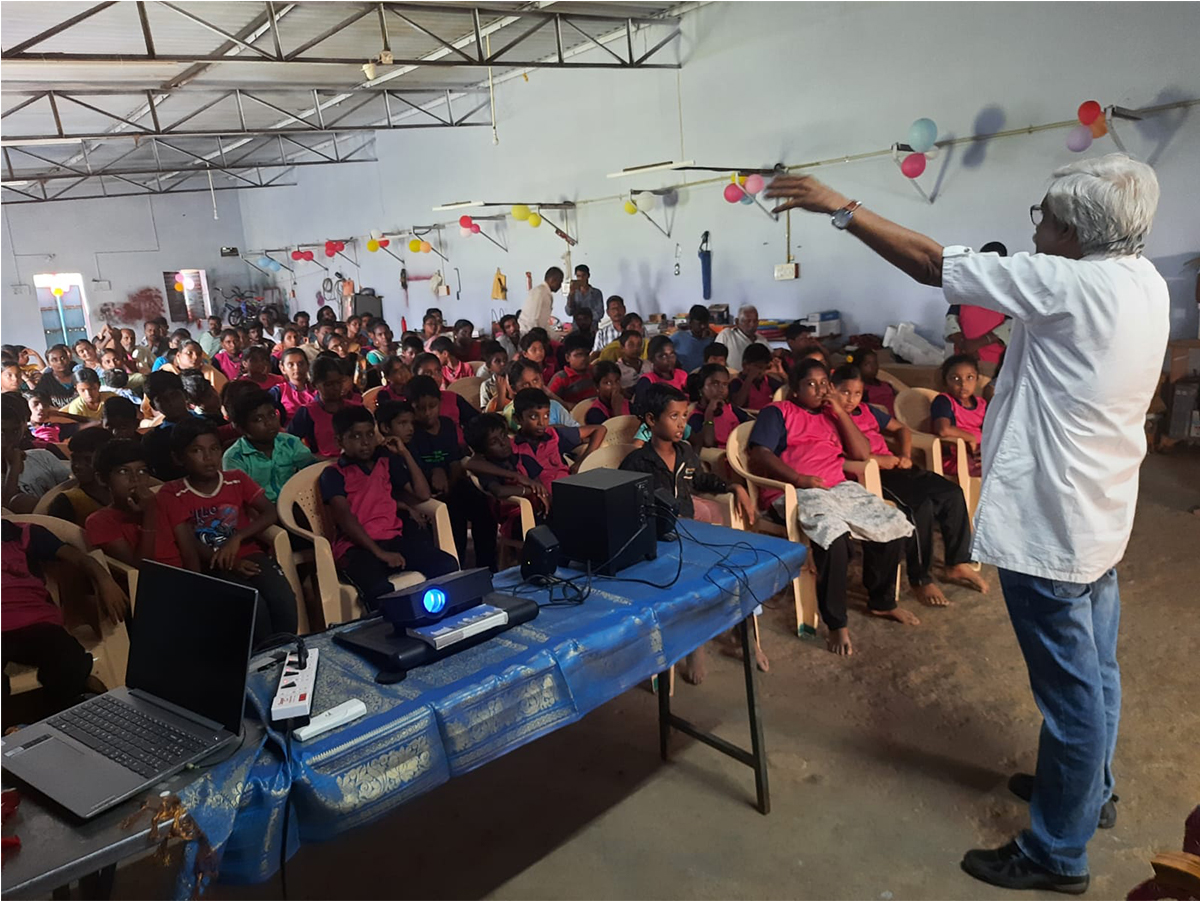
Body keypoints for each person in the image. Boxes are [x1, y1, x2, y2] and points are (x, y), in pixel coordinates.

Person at [765, 154, 1167, 892]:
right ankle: (1089, 793)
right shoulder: (1144, 280)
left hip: (1054, 527)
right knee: (1098, 675)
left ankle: (1057, 852)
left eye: (1044, 216)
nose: (1034, 228)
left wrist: (839, 207)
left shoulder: (1067, 282)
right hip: (1102, 513)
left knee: (1071, 699)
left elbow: (929, 263)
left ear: (1074, 233)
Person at [746, 359, 916, 655]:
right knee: (834, 538)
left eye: (824, 383)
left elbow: (862, 453)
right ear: (795, 390)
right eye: (811, 384)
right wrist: (799, 478)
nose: (820, 389)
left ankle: (881, 602)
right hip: (796, 491)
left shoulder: (831, 413)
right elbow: (760, 452)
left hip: (838, 487)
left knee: (892, 523)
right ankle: (837, 623)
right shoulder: (779, 412)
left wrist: (838, 410)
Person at [621, 383, 757, 681]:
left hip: (690, 533)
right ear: (651, 420)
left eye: (684, 416)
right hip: (659, 543)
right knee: (690, 585)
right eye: (673, 417)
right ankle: (695, 646)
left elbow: (701, 481)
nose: (682, 423)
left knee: (737, 571)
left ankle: (743, 636)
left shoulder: (685, 452)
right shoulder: (636, 462)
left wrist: (731, 486)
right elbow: (625, 506)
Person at [830, 364, 987, 606]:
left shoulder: (868, 411)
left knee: (951, 493)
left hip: (895, 466)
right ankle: (920, 579)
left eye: (857, 393)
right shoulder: (829, 417)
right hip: (869, 475)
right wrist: (881, 460)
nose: (851, 399)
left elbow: (901, 429)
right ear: (832, 390)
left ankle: (956, 563)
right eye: (845, 392)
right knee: (918, 507)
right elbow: (836, 457)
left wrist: (904, 454)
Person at [158, 418, 297, 646]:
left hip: (248, 553)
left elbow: (269, 512)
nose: (208, 457)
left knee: (283, 599)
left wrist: (238, 538)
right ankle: (260, 663)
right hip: (209, 564)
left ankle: (287, 653)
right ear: (179, 458)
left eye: (214, 449)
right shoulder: (173, 493)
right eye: (197, 451)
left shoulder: (235, 479)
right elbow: (188, 543)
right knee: (253, 606)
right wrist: (229, 563)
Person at [319, 406, 457, 605]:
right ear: (339, 441)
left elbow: (423, 493)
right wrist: (380, 553)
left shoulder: (384, 463)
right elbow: (345, 518)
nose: (366, 442)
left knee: (446, 564)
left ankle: (439, 619)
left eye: (369, 434)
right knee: (380, 591)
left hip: (393, 540)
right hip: (356, 548)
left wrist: (404, 453)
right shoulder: (333, 474)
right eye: (356, 436)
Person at [2, 517, 128, 710]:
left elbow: (79, 558)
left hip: (36, 623)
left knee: (70, 661)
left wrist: (104, 579)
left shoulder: (23, 534)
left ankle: (52, 725)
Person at [405, 376, 497, 569]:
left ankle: (488, 568)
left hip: (453, 482)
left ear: (440, 403)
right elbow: (417, 470)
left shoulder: (447, 426)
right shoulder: (411, 434)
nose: (427, 413)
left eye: (432, 406)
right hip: (428, 491)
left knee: (483, 511)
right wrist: (437, 471)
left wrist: (446, 475)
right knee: (453, 521)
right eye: (420, 408)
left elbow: (455, 461)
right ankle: (457, 568)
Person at [86, 439, 182, 570]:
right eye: (123, 471)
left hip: (183, 579)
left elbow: (189, 552)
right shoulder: (100, 521)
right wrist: (150, 513)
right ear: (102, 479)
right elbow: (141, 569)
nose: (135, 479)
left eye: (142, 471)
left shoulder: (166, 501)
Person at [223, 388, 318, 503]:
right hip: (260, 511)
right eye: (258, 419)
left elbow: (312, 470)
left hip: (293, 504)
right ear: (241, 428)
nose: (269, 423)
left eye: (272, 415)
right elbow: (241, 498)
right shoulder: (235, 458)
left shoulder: (289, 442)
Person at [463, 413, 551, 532]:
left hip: (538, 511)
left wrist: (543, 495)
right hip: (515, 519)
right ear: (482, 451)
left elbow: (539, 484)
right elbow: (499, 491)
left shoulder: (523, 459)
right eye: (494, 442)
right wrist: (531, 491)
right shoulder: (488, 469)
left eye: (504, 436)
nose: (503, 443)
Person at [508, 388, 604, 493]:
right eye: (533, 416)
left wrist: (581, 461)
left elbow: (599, 429)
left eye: (546, 415)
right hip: (544, 499)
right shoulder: (513, 448)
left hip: (571, 488)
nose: (542, 422)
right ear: (517, 419)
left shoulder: (554, 434)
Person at [945, 241, 1012, 368]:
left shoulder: (1007, 293)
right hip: (961, 358)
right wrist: (964, 346)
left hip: (993, 363)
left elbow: (1011, 325)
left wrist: (976, 344)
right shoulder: (964, 288)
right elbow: (951, 319)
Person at [2, 392, 72, 513]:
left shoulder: (42, 456)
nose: (8, 439)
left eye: (15, 431)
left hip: (61, 523)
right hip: (22, 529)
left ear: (23, 427)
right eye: (1, 432)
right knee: (20, 502)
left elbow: (71, 489)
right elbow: (6, 511)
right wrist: (13, 468)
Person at [288, 355, 357, 458]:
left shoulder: (354, 408)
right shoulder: (307, 412)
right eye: (328, 384)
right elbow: (289, 444)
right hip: (320, 466)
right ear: (314, 385)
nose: (336, 388)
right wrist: (311, 457)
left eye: (339, 382)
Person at [931, 354, 986, 476]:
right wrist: (970, 438)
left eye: (969, 377)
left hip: (980, 454)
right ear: (945, 380)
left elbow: (991, 432)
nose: (963, 384)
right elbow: (943, 430)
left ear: (977, 379)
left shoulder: (982, 404)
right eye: (955, 379)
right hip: (956, 457)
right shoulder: (944, 401)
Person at [46, 427, 113, 525]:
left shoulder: (124, 493)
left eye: (87, 460)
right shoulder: (68, 501)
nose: (78, 466)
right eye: (74, 459)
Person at [140, 370, 199, 480]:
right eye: (162, 399)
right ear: (154, 406)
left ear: (185, 395)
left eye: (174, 395)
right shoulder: (153, 439)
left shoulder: (207, 423)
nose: (170, 402)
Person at [493, 359, 580, 430]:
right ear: (514, 389)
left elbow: (576, 430)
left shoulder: (554, 406)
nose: (533, 387)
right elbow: (531, 434)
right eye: (525, 385)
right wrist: (560, 428)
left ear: (541, 379)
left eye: (535, 380)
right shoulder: (511, 412)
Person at [688, 363, 752, 449]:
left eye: (725, 384)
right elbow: (708, 443)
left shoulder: (728, 408)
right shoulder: (696, 416)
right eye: (715, 384)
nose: (721, 389)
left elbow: (751, 423)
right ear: (701, 387)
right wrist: (709, 414)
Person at [633, 335, 688, 414]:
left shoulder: (682, 375)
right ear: (651, 359)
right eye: (663, 356)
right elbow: (640, 409)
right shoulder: (648, 381)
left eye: (672, 354)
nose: (669, 359)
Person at [730, 343, 785, 411]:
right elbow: (738, 403)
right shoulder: (736, 383)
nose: (761, 371)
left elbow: (786, 391)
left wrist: (782, 374)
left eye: (764, 368)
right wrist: (749, 378)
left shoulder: (767, 381)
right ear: (745, 365)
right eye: (758, 367)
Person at [715, 305, 771, 371]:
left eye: (755, 321)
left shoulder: (762, 339)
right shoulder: (727, 335)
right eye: (748, 321)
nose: (752, 325)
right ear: (737, 322)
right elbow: (716, 362)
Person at [268, 347, 315, 425]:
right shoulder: (278, 391)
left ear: (307, 365)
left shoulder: (318, 389)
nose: (296, 368)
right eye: (290, 365)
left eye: (301, 364)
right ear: (282, 368)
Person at [547, 333, 596, 406]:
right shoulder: (561, 378)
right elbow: (549, 401)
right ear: (567, 357)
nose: (583, 358)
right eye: (578, 355)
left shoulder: (593, 371)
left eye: (586, 354)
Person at [850, 348, 897, 416]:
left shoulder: (886, 385)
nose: (873, 367)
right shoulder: (860, 390)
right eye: (867, 364)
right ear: (858, 367)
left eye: (875, 363)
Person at [518, 267, 563, 334]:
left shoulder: (545, 292)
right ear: (553, 280)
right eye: (560, 282)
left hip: (536, 333)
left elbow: (543, 323)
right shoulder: (540, 292)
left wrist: (557, 338)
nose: (560, 286)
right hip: (529, 334)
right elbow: (532, 321)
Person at [672, 305, 716, 373]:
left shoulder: (711, 339)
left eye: (705, 323)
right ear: (690, 323)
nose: (703, 327)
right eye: (699, 324)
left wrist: (714, 336)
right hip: (683, 377)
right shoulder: (678, 337)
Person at [584, 361, 630, 425]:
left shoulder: (628, 404)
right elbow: (614, 434)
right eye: (608, 383)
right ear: (597, 387)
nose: (615, 386)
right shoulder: (594, 414)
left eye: (617, 381)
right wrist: (617, 410)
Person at [476, 341, 509, 409]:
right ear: (489, 366)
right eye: (497, 361)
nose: (503, 363)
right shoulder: (486, 386)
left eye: (505, 360)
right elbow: (486, 413)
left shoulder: (515, 379)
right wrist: (501, 394)